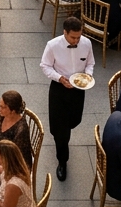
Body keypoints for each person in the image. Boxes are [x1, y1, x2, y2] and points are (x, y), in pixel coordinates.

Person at [40, 16, 94, 181]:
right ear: (65, 32)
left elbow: (90, 63)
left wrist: (88, 76)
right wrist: (59, 78)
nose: (76, 40)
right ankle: (62, 160)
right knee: (61, 130)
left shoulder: (86, 43)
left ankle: (62, 136)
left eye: (78, 37)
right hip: (59, 89)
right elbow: (45, 66)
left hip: (78, 89)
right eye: (73, 37)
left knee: (74, 121)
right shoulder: (53, 45)